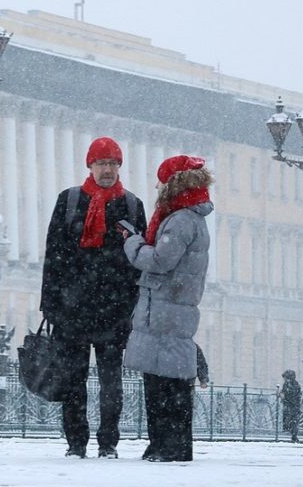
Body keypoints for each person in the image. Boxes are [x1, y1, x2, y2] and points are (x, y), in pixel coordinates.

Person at [39, 136, 147, 459]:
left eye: (113, 163)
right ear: (90, 165)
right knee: (74, 380)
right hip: (72, 310)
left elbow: (138, 264)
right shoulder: (69, 201)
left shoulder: (131, 205)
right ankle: (75, 442)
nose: (108, 170)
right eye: (102, 163)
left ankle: (108, 442)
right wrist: (51, 305)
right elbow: (53, 255)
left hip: (113, 313)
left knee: (111, 384)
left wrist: (133, 307)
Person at [121, 155, 214, 463]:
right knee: (168, 381)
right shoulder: (189, 217)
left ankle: (167, 446)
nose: (157, 187)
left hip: (165, 309)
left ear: (173, 184)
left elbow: (161, 261)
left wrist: (132, 243)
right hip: (170, 307)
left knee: (164, 384)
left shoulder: (180, 219)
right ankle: (167, 445)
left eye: (161, 181)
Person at [279, 369, 302, 443]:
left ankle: (293, 435)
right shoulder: (289, 384)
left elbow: (292, 395)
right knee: (292, 421)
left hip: (292, 405)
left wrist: (284, 396)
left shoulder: (293, 385)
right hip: (291, 405)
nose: (285, 379)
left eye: (285, 378)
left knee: (292, 421)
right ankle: (293, 435)